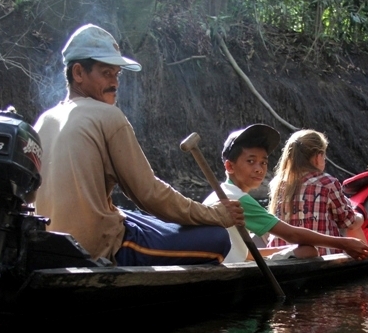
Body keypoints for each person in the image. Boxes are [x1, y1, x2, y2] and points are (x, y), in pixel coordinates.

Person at [32, 24, 243, 266]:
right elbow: (148, 193)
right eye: (106, 73)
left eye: (116, 74)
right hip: (94, 248)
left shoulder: (43, 120)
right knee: (217, 239)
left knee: (129, 214)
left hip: (51, 246)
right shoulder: (108, 116)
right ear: (78, 73)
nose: (115, 83)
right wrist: (214, 215)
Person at [203, 125, 368, 262]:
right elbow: (291, 234)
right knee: (306, 251)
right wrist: (344, 243)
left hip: (232, 259)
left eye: (263, 162)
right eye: (251, 161)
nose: (259, 169)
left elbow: (245, 253)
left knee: (305, 250)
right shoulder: (236, 199)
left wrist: (288, 249)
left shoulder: (225, 192)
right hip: (227, 268)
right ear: (230, 167)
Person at [267, 130, 366, 255]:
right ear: (318, 157)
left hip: (281, 255)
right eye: (324, 156)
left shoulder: (277, 183)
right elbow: (349, 222)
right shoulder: (327, 183)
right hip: (321, 254)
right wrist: (360, 215)